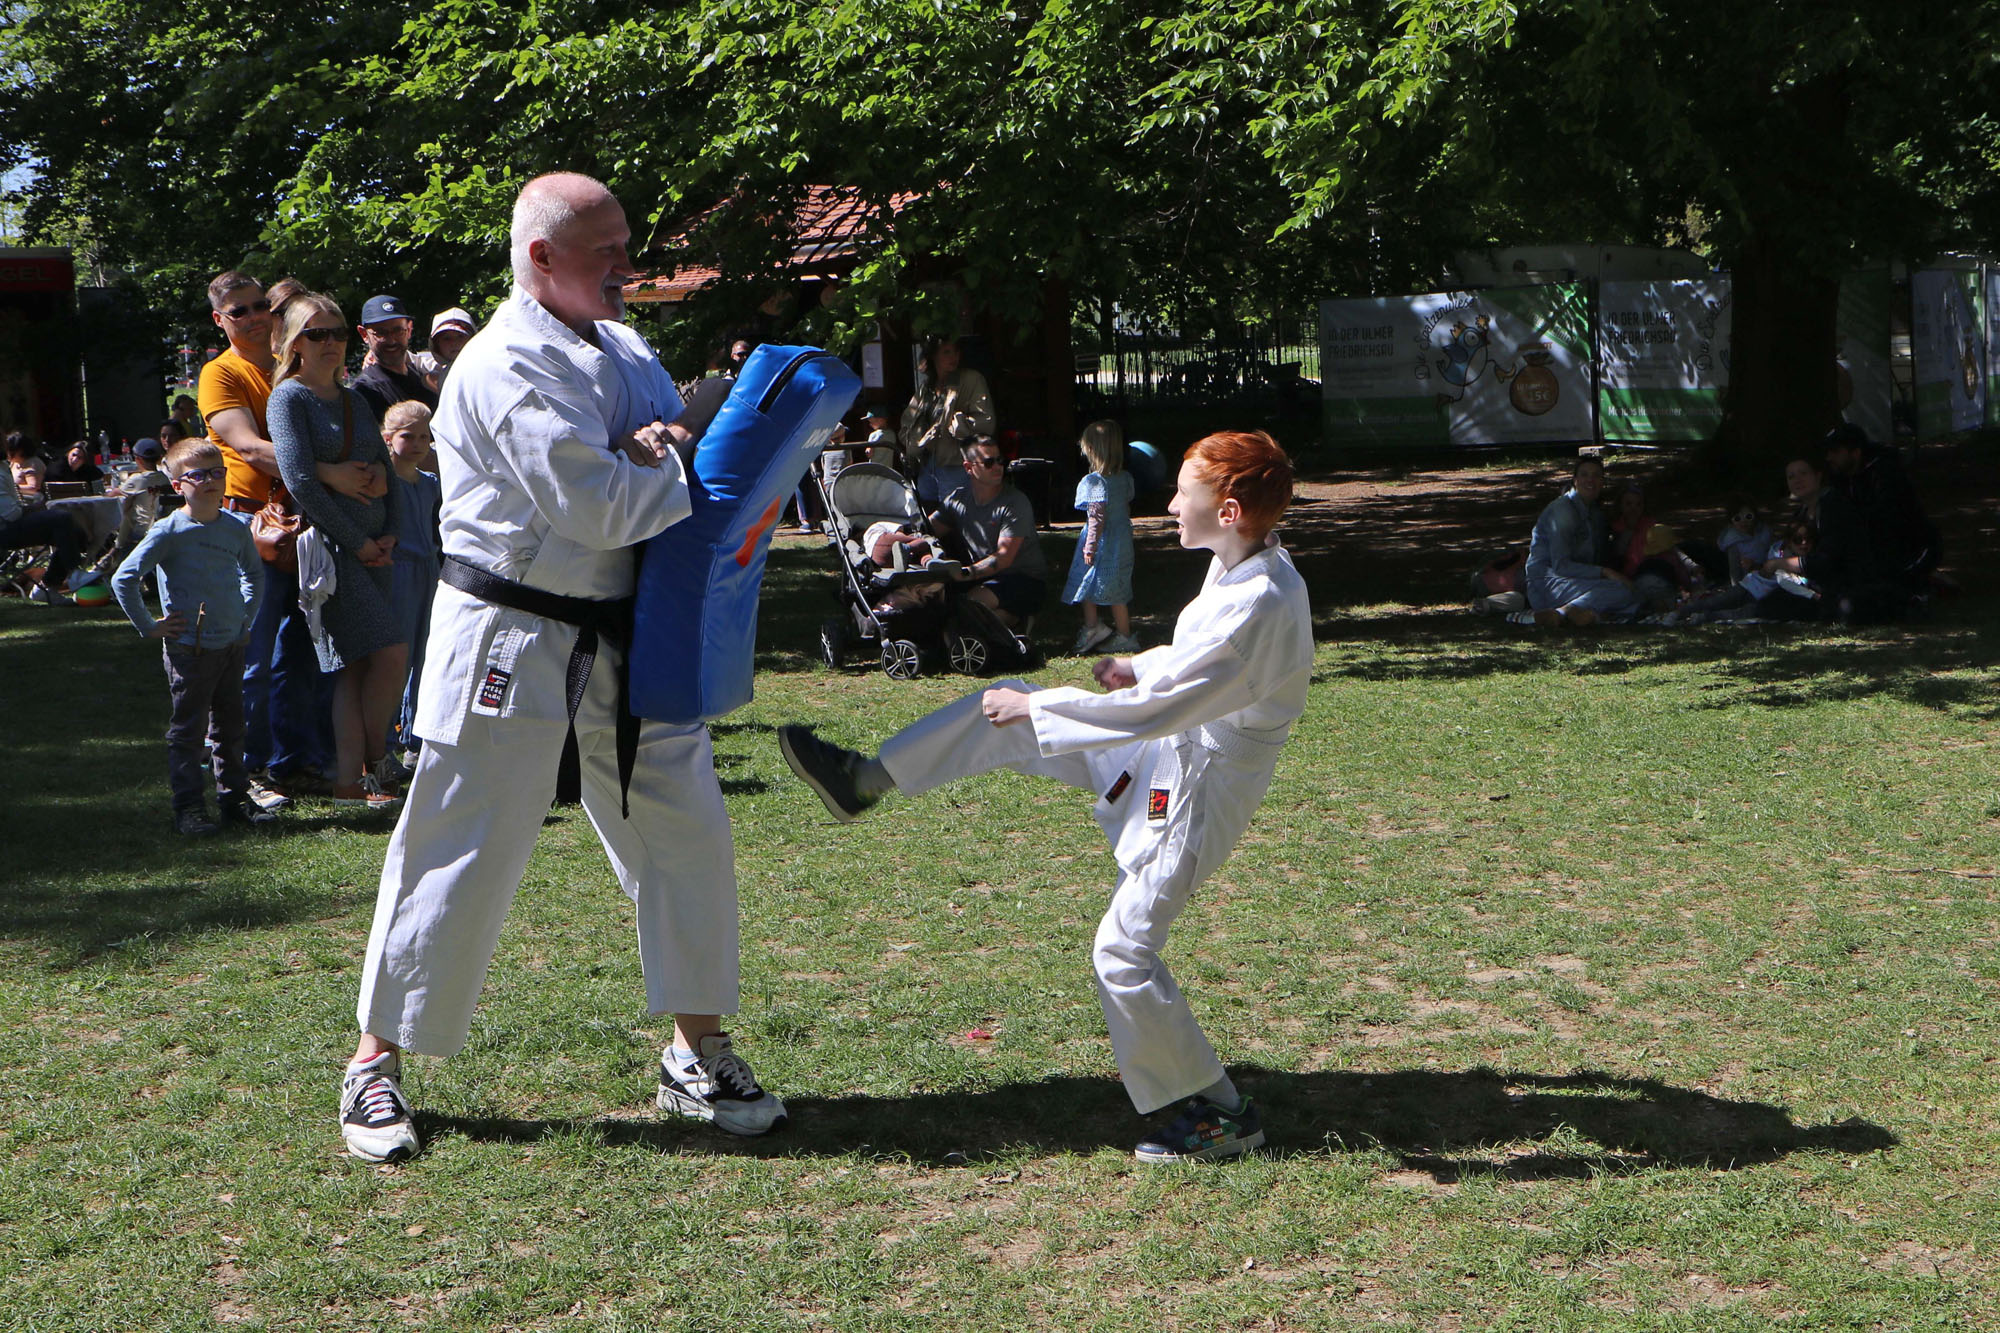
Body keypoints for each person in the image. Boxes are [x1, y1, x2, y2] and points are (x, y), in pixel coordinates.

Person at [339, 172, 786, 1164]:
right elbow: (599, 505)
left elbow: (662, 451)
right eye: (606, 249)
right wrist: (665, 450)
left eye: (626, 242)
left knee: (686, 833)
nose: (628, 264)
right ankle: (374, 1062)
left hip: (628, 635)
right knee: (458, 842)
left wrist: (658, 445)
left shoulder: (623, 345)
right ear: (541, 257)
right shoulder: (504, 361)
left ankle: (696, 1047)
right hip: (509, 634)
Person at [779, 429, 1312, 1164]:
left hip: (1197, 789)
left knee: (1122, 952)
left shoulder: (1262, 597)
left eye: (1181, 492)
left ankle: (1220, 1111)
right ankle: (864, 779)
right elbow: (1194, 665)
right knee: (1004, 706)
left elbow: (1165, 708)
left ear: (1226, 511)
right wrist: (1137, 663)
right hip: (1169, 750)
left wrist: (1046, 706)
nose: (1169, 504)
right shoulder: (1242, 564)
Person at [200, 269, 379, 809]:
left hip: (310, 525)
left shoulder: (296, 369)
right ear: (220, 320)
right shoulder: (220, 373)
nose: (256, 317)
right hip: (252, 526)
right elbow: (248, 446)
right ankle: (247, 769)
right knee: (253, 657)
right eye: (240, 311)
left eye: (262, 306)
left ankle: (297, 760)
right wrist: (329, 474)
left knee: (308, 651)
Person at [267, 293, 408, 810]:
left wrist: (390, 532)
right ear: (295, 343)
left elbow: (386, 469)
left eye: (338, 333)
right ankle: (378, 759)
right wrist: (359, 542)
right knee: (391, 652)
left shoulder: (354, 400)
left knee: (356, 667)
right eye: (317, 333)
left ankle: (350, 782)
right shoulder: (289, 399)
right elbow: (301, 480)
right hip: (333, 553)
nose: (330, 343)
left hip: (375, 550)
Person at [110, 438, 273, 835]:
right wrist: (149, 625)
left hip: (231, 644)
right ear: (177, 485)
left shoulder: (235, 526)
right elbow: (124, 578)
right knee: (189, 732)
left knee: (231, 728)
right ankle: (189, 808)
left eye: (217, 472)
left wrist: (244, 618)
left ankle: (235, 800)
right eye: (198, 476)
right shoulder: (169, 531)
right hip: (190, 650)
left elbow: (254, 574)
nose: (210, 481)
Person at [380, 401, 441, 771]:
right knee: (397, 658)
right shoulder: (384, 482)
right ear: (389, 438)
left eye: (424, 437)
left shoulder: (430, 483)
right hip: (399, 571)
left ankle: (416, 738)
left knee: (428, 655)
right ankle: (383, 743)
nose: (418, 444)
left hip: (429, 570)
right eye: (408, 436)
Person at [933, 435, 1048, 628]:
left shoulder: (1015, 502)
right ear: (968, 467)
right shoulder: (958, 499)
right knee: (943, 608)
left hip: (1023, 579)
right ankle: (1013, 620)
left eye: (1000, 460)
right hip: (983, 577)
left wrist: (965, 573)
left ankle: (1016, 619)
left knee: (967, 609)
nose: (997, 467)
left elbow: (1003, 557)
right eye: (988, 462)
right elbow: (928, 529)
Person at [1517, 455, 1643, 628]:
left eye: (1596, 475)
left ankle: (1580, 614)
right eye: (1584, 475)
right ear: (1575, 481)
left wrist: (1628, 530)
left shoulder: (1595, 514)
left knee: (1633, 592)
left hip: (1577, 582)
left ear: (1602, 482)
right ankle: (1564, 612)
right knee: (1622, 592)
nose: (1590, 480)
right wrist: (1605, 572)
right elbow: (1561, 566)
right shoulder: (1563, 511)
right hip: (1548, 583)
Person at [1061, 419, 1139, 655]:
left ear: (1093, 449)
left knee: (1086, 582)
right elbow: (1124, 508)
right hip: (1121, 542)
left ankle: (1093, 626)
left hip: (1102, 542)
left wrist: (1090, 546)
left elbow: (1096, 518)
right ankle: (1124, 634)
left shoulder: (1094, 482)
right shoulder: (1124, 478)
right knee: (1118, 588)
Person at [899, 336, 994, 507]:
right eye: (946, 352)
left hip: (956, 463)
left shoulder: (972, 379)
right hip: (927, 464)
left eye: (956, 352)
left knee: (955, 514)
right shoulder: (927, 387)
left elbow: (986, 421)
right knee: (926, 513)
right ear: (933, 356)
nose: (953, 357)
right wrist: (918, 442)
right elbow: (907, 423)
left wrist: (961, 426)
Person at [0, 434, 86, 605]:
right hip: (5, 530)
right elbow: (11, 515)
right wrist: (37, 507)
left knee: (76, 532)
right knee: (62, 517)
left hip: (12, 523)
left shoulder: (4, 465)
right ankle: (75, 573)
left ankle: (47, 588)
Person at [351, 294, 440, 425]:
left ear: (409, 329)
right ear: (364, 334)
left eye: (398, 330)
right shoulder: (365, 392)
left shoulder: (423, 380)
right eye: (381, 332)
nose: (391, 340)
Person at [409, 307, 477, 395]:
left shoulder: (484, 369)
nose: (454, 343)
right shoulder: (434, 370)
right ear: (436, 344)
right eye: (447, 338)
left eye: (460, 336)